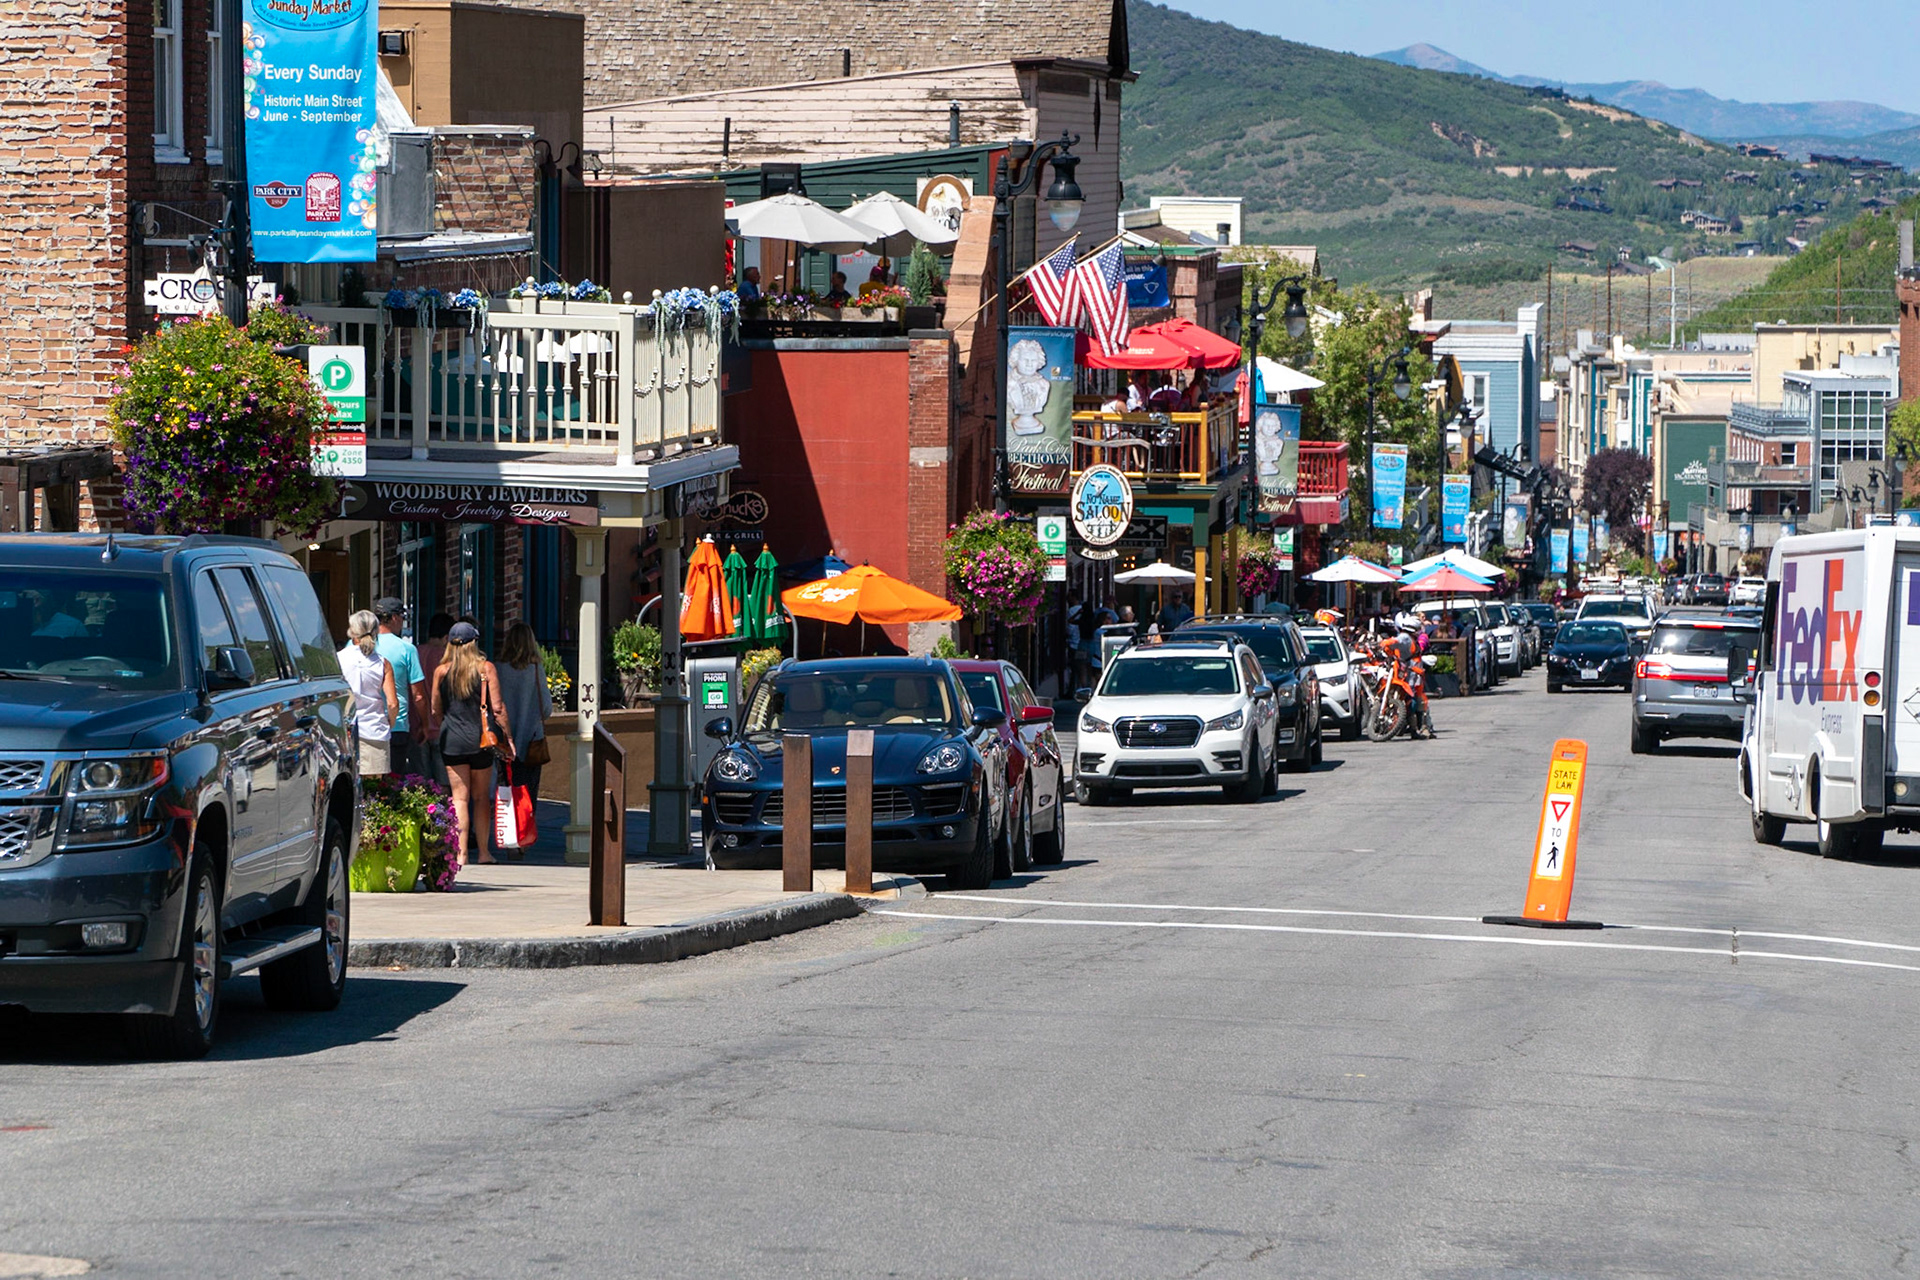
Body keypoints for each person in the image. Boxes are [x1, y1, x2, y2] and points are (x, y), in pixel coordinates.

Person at [431, 620, 513, 866]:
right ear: (474, 643)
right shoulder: (485, 669)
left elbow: (435, 709)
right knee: (480, 797)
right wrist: (508, 738)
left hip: (452, 740)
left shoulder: (441, 671)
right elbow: (498, 708)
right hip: (481, 740)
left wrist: (446, 722)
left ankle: (461, 853)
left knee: (459, 798)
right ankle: (484, 853)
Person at [493, 622, 552, 859]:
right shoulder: (535, 670)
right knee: (528, 791)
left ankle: (509, 837)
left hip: (504, 742)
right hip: (531, 741)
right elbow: (546, 707)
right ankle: (523, 838)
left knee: (506, 789)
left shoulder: (498, 669)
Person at [337, 609, 397, 777]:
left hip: (345, 731)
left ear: (352, 631)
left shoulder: (337, 659)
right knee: (373, 787)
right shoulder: (383, 663)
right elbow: (392, 703)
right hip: (374, 730)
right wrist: (389, 722)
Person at [372, 597, 426, 777]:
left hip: (366, 726)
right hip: (397, 725)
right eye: (402, 617)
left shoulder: (355, 646)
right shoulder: (406, 649)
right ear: (394, 618)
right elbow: (418, 695)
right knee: (393, 781)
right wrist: (424, 724)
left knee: (368, 783)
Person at [416, 612, 455, 784]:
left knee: (420, 783)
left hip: (417, 724)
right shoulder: (445, 658)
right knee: (444, 783)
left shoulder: (416, 652)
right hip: (441, 725)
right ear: (446, 637)